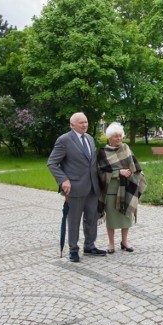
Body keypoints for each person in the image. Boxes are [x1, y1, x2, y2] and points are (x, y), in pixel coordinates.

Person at [47, 112, 105, 262]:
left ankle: (90, 246)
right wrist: (63, 180)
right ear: (72, 125)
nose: (85, 125)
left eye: (86, 122)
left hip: (93, 187)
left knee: (91, 219)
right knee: (74, 220)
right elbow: (52, 163)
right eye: (81, 123)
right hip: (75, 188)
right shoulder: (64, 140)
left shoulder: (90, 139)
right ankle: (73, 249)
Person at [97, 122, 147, 253]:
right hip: (111, 190)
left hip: (127, 188)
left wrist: (133, 172)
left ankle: (125, 242)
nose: (118, 138)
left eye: (120, 136)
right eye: (115, 136)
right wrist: (118, 172)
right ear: (109, 137)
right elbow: (100, 172)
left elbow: (135, 166)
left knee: (127, 216)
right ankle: (111, 243)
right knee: (112, 218)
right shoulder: (103, 152)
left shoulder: (126, 148)